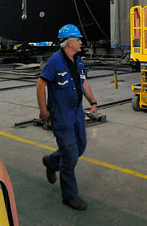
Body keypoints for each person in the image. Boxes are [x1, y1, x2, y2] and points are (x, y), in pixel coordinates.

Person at [37, 24, 98, 211]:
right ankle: (69, 196)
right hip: (62, 115)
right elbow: (40, 85)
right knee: (71, 155)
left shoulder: (78, 60)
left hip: (77, 112)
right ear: (69, 42)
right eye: (78, 39)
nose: (81, 42)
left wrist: (93, 101)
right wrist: (43, 110)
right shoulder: (54, 61)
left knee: (80, 146)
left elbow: (83, 81)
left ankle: (52, 161)